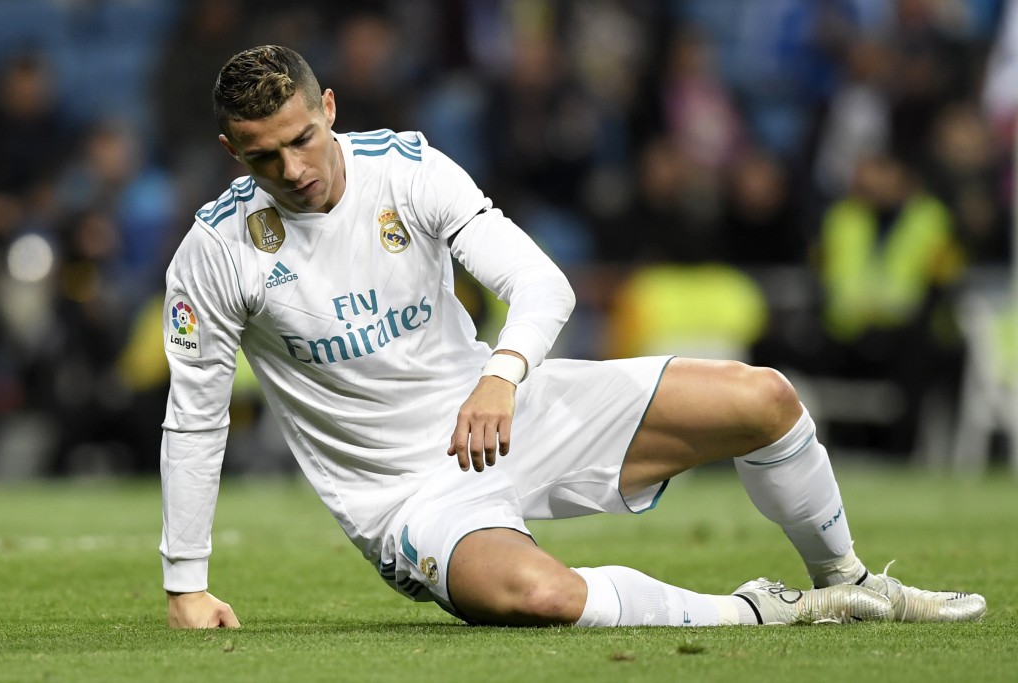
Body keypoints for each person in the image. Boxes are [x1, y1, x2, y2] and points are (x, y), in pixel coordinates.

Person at [160, 45, 985, 629]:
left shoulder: (407, 170)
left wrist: (502, 374)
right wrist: (185, 587)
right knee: (540, 597)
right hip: (409, 499)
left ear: (329, 109)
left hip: (507, 411)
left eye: (304, 138)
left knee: (764, 397)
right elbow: (194, 419)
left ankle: (848, 581)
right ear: (235, 153)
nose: (295, 169)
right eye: (265, 159)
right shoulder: (217, 251)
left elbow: (541, 283)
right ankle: (762, 609)